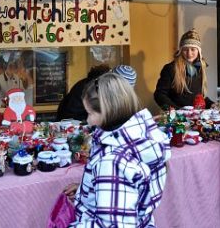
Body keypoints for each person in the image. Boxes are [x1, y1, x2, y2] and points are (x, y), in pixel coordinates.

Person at [64, 73, 171, 227]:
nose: (88, 120)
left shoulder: (112, 162)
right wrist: (88, 189)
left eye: (90, 113)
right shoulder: (145, 138)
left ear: (108, 111)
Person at [154, 29, 213, 110]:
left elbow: (200, 97)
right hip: (177, 118)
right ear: (181, 51)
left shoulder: (200, 68)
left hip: (196, 116)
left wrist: (212, 104)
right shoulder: (170, 69)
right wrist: (177, 111)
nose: (189, 53)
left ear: (198, 51)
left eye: (193, 49)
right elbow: (159, 95)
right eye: (185, 49)